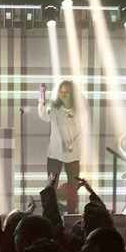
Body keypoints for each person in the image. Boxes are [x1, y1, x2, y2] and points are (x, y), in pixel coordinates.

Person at [38, 80, 84, 214]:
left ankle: (71, 214)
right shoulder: (55, 108)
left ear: (72, 94)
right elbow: (43, 115)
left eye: (66, 92)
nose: (63, 94)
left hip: (73, 154)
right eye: (61, 92)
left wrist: (72, 145)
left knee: (73, 186)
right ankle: (50, 214)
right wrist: (42, 95)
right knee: (51, 185)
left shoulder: (78, 111)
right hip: (55, 153)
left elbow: (81, 131)